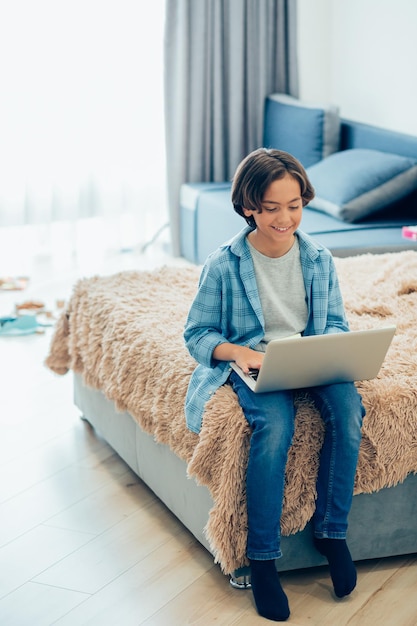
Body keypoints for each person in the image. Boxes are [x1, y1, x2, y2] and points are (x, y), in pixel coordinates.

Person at [183, 148, 365, 622]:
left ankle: (331, 532)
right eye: (271, 208)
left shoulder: (319, 259)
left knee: (348, 413)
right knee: (274, 431)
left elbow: (337, 324)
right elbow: (197, 334)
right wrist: (240, 353)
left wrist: (333, 349)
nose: (285, 218)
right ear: (248, 207)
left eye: (294, 206)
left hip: (310, 357)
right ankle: (262, 559)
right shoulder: (224, 264)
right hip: (255, 363)